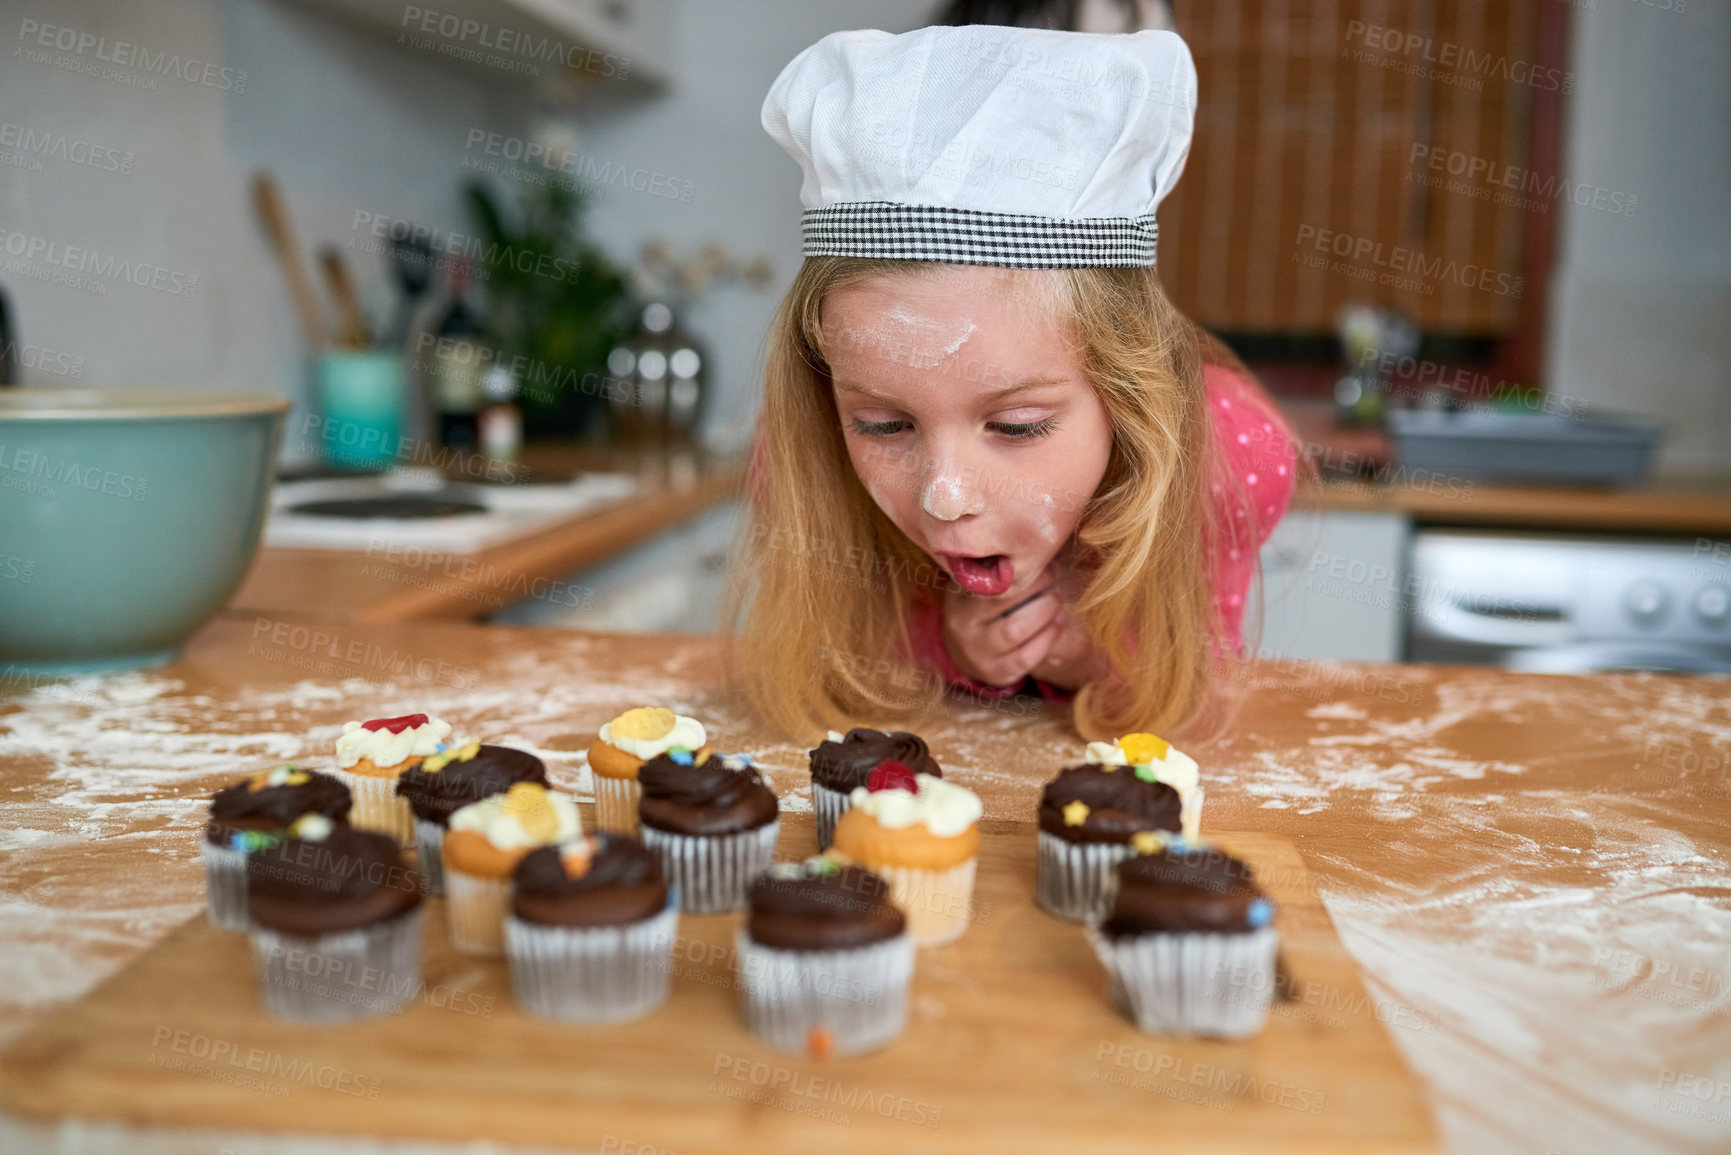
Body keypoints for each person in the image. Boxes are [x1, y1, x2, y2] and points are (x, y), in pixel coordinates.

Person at [727, 24, 1297, 741]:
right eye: (882, 425)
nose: (947, 496)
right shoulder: (797, 452)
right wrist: (947, 646)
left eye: (1016, 426)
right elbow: (839, 650)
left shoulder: (1232, 458)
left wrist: (1090, 654)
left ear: (1131, 393)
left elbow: (1189, 687)